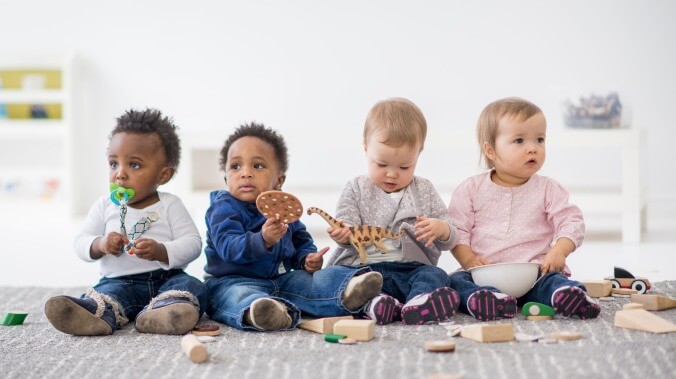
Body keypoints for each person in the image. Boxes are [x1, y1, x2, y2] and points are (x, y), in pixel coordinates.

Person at [204, 122, 382, 331]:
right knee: (235, 296)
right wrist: (262, 239)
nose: (245, 173)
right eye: (235, 166)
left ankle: (347, 290)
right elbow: (228, 246)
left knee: (311, 281)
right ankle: (261, 312)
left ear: (279, 180)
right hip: (232, 281)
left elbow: (300, 239)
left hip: (280, 280)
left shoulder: (282, 208)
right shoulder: (223, 208)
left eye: (257, 166)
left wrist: (307, 259)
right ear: (226, 178)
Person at [44, 108, 208, 336]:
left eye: (134, 165)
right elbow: (80, 242)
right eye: (113, 164)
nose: (120, 174)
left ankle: (165, 312)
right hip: (119, 281)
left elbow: (193, 243)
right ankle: (96, 315)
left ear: (163, 175)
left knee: (193, 287)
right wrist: (100, 244)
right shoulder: (104, 206)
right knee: (106, 295)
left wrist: (161, 250)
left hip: (166, 279)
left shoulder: (170, 204)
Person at [448, 97, 600, 321]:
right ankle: (486, 300)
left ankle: (567, 296)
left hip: (534, 272)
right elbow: (456, 230)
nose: (533, 148)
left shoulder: (548, 188)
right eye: (519, 140)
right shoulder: (470, 189)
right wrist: (468, 260)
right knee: (455, 282)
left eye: (540, 139)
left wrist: (559, 251)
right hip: (483, 274)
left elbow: (572, 222)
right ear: (490, 151)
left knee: (552, 281)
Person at [325, 98, 460, 325]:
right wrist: (343, 233)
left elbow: (450, 239)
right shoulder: (356, 188)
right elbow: (346, 225)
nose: (392, 174)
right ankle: (376, 304)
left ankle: (419, 302)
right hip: (364, 269)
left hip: (409, 270)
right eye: (382, 164)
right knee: (340, 281)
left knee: (437, 276)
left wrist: (442, 229)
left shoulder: (424, 189)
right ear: (366, 149)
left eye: (404, 167)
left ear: (418, 155)